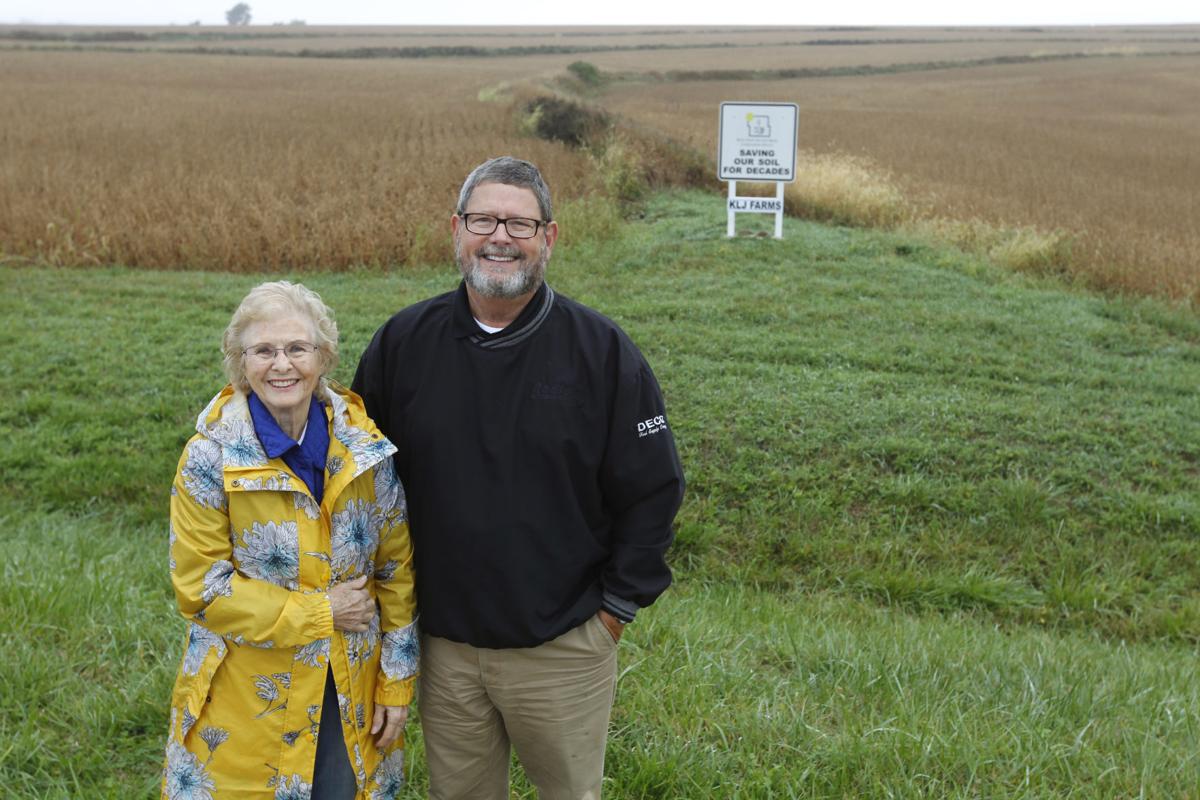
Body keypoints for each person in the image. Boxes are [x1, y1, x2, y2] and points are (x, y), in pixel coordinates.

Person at [352, 156, 685, 799]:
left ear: (548, 238)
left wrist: (614, 612)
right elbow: (367, 483)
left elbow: (654, 491)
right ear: (457, 230)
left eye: (519, 224)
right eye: (483, 220)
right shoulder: (403, 343)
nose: (499, 237)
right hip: (446, 646)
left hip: (563, 646)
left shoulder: (603, 353)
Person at [161, 281, 417, 800]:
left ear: (323, 357)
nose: (282, 365)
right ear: (240, 362)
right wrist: (322, 613)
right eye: (264, 351)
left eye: (298, 348)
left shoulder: (364, 449)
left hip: (351, 687)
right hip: (244, 698)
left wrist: (396, 681)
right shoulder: (209, 458)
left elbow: (396, 572)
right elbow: (202, 589)